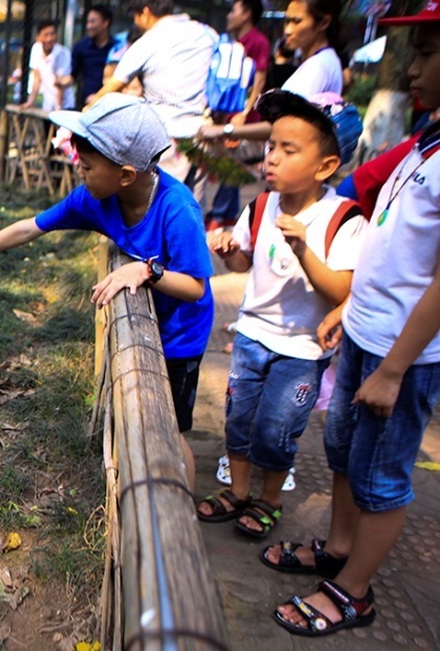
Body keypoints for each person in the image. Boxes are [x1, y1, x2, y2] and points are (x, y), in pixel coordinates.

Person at [0, 95, 214, 491]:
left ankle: (183, 506)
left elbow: (196, 287)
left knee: (170, 429)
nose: (79, 170)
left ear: (126, 175)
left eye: (88, 165)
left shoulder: (177, 209)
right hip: (149, 324)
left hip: (180, 338)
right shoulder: (94, 199)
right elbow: (30, 227)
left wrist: (146, 270)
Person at [264, 6, 440, 637]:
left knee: (381, 476)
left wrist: (394, 370)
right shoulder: (424, 141)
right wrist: (348, 305)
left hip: (404, 357)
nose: (412, 68)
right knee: (342, 451)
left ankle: (354, 591)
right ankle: (339, 547)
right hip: (364, 333)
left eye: (424, 53)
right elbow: (396, 248)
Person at [198, 89, 365, 539]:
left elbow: (340, 291)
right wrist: (229, 250)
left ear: (326, 166)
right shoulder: (260, 205)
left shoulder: (343, 218)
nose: (271, 158)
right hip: (252, 336)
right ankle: (237, 490)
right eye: (272, 145)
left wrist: (302, 247)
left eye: (288, 150)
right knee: (238, 419)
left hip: (301, 349)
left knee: (277, 428)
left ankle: (269, 499)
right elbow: (245, 263)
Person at [88, 0, 217, 197]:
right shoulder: (206, 33)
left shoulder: (149, 41)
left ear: (146, 12)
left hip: (166, 136)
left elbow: (115, 84)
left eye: (135, 16)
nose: (136, 22)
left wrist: (88, 109)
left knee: (157, 203)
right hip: (203, 132)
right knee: (192, 206)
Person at [198, 0, 344, 143]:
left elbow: (283, 124)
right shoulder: (324, 61)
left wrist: (225, 129)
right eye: (287, 21)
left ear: (324, 23)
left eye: (296, 22)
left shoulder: (318, 67)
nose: (287, 30)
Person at [205, 0, 272, 231]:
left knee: (230, 162)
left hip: (241, 119)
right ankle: (227, 213)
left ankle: (221, 213)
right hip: (225, 116)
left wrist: (244, 112)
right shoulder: (231, 43)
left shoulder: (258, 42)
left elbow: (259, 80)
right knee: (228, 162)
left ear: (246, 14)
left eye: (234, 10)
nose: (229, 15)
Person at [20, 19, 75, 112]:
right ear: (38, 37)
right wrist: (31, 101)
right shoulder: (36, 49)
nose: (49, 38)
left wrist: (58, 107)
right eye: (46, 35)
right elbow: (37, 78)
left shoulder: (62, 53)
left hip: (64, 106)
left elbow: (60, 83)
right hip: (48, 106)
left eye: (52, 34)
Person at [71, 6, 121, 106]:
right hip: (87, 102)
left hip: (113, 102)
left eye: (93, 22)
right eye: (88, 22)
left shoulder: (118, 47)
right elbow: (72, 76)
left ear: (105, 23)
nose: (89, 26)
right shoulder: (80, 47)